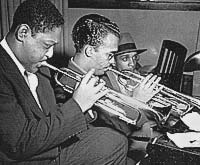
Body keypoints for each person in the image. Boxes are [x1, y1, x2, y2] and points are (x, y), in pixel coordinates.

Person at [0, 1, 133, 164]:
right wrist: (77, 105)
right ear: (23, 33)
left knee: (114, 140)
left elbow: (50, 116)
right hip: (29, 159)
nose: (50, 54)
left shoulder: (39, 67)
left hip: (50, 146)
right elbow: (20, 143)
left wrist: (87, 107)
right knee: (114, 144)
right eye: (46, 45)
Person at [54, 13, 161, 163]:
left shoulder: (100, 75)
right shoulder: (67, 86)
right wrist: (136, 102)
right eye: (110, 55)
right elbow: (111, 134)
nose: (112, 62)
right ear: (90, 51)